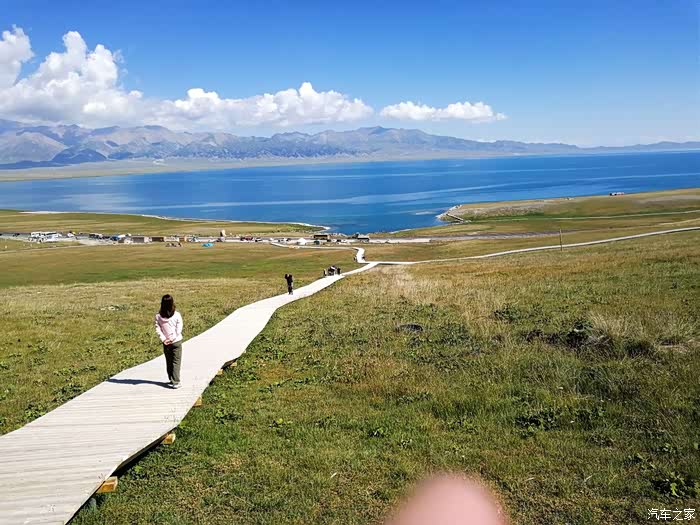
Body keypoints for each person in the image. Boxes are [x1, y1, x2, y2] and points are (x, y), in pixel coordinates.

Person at [155, 294, 183, 389]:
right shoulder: (177, 315)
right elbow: (179, 329)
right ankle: (176, 382)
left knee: (169, 361)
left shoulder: (158, 316)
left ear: (162, 303)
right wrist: (173, 338)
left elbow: (158, 329)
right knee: (176, 362)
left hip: (166, 342)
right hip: (176, 341)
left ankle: (171, 379)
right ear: (172, 303)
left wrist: (164, 339)